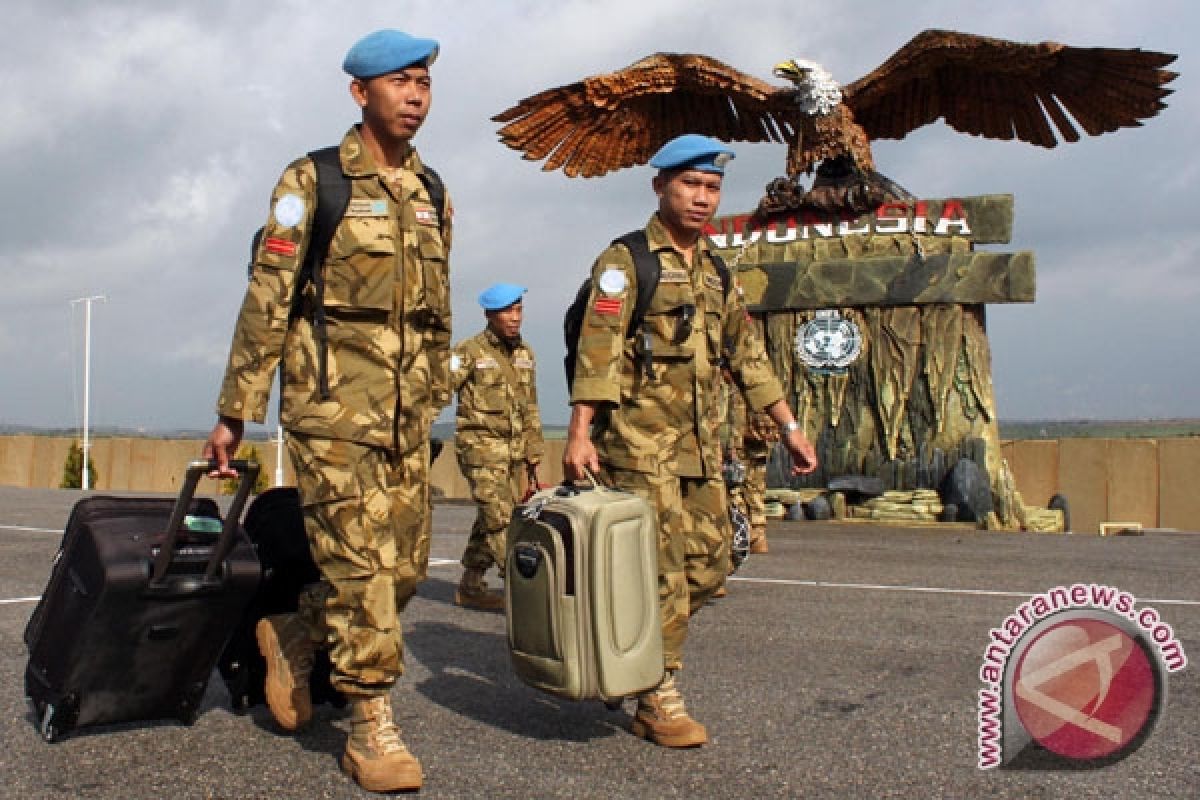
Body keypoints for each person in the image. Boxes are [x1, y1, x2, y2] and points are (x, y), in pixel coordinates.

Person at [202, 29, 450, 794]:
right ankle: (373, 724)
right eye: (400, 82)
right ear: (360, 93)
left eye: (424, 83)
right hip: (331, 414)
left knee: (404, 571)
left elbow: (435, 311)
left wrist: (438, 392)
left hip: (408, 420)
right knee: (360, 572)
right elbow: (268, 300)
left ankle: (295, 633)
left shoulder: (432, 190)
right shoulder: (311, 182)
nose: (415, 95)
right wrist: (235, 411)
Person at [562, 133, 818, 748]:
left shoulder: (714, 269)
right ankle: (658, 693)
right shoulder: (626, 263)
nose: (702, 198)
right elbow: (597, 354)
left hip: (702, 449)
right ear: (660, 186)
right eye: (690, 185)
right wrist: (578, 434)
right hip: (640, 447)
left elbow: (746, 355)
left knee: (712, 566)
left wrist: (787, 425)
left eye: (711, 187)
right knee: (664, 576)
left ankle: (634, 652)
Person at [447, 283, 545, 610]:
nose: (515, 317)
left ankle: (471, 584)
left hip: (513, 452)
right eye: (507, 311)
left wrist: (534, 454)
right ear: (490, 314)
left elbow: (530, 406)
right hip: (480, 449)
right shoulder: (467, 352)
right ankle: (523, 593)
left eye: (518, 310)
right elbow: (437, 390)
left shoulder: (525, 354)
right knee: (501, 519)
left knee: (491, 516)